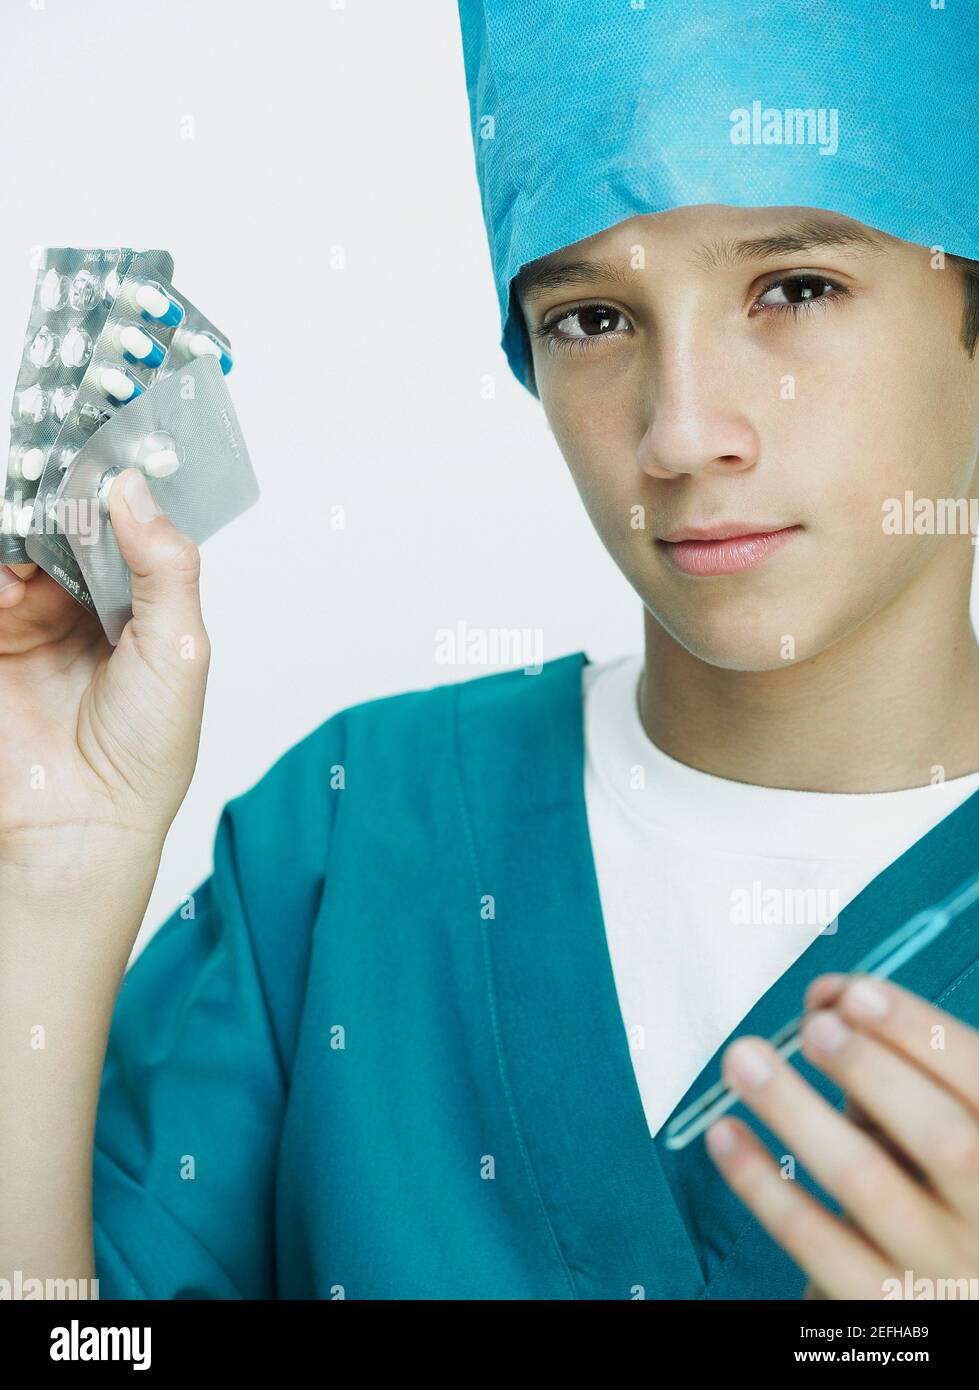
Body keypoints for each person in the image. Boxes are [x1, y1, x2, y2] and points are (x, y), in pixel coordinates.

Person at [2, 1, 979, 1301]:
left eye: (794, 287)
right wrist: (57, 877)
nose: (683, 433)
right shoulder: (353, 847)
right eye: (591, 317)